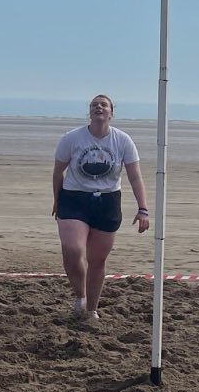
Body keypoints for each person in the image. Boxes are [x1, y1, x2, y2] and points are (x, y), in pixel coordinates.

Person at [51, 94, 149, 322]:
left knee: (97, 260)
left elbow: (135, 177)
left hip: (107, 201)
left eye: (103, 105)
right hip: (74, 198)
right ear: (90, 112)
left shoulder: (123, 140)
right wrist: (57, 199)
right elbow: (58, 172)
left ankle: (91, 310)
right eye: (94, 105)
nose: (98, 107)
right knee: (73, 250)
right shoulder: (72, 138)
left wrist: (142, 208)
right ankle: (80, 296)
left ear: (111, 112)